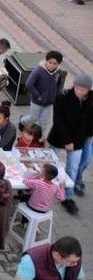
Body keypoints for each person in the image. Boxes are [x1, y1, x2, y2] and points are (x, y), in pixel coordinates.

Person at [47, 73, 92, 214]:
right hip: (59, 137)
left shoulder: (91, 100)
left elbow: (87, 123)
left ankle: (68, 197)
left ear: (88, 90)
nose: (80, 92)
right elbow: (58, 122)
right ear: (74, 85)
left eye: (83, 90)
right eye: (78, 88)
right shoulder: (62, 97)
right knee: (50, 165)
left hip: (78, 140)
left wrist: (80, 139)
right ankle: (45, 187)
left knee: (72, 168)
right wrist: (67, 141)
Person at [21, 50, 65, 130]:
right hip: (37, 101)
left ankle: (39, 138)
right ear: (46, 61)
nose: (51, 65)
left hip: (49, 102)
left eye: (55, 63)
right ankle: (22, 121)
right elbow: (29, 84)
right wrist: (38, 96)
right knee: (33, 118)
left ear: (58, 64)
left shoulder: (59, 73)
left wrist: (57, 95)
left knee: (44, 122)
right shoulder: (38, 71)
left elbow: (60, 84)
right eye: (50, 62)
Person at [15, 236, 85, 280]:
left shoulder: (74, 259)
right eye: (72, 262)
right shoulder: (30, 261)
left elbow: (81, 278)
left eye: (77, 261)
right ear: (58, 256)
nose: (75, 264)